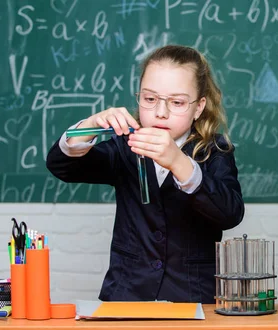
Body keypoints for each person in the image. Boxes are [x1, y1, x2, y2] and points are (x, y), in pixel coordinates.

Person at [46, 45, 245, 303]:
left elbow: (230, 213)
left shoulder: (215, 150)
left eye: (177, 102)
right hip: (126, 297)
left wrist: (178, 161)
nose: (161, 112)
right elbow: (61, 164)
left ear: (198, 107)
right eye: (150, 99)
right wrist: (92, 124)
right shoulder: (125, 146)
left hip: (194, 300)